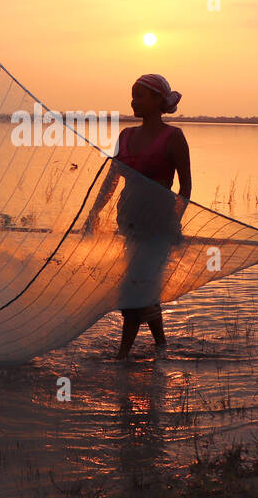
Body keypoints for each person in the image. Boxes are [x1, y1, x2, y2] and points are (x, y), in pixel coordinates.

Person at [82, 73, 191, 359]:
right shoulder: (126, 136)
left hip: (159, 228)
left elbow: (185, 186)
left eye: (140, 95)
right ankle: (161, 347)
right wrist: (94, 212)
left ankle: (122, 357)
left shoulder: (174, 137)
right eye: (132, 95)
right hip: (130, 223)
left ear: (157, 101)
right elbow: (111, 180)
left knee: (131, 290)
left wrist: (173, 222)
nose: (133, 101)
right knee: (145, 288)